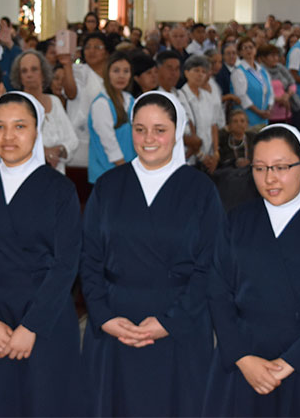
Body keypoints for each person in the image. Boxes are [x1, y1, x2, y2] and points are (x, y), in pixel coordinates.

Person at [81, 90, 224, 416]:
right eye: (140, 128)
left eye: (160, 129)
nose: (148, 139)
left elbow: (211, 265)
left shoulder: (200, 189)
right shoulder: (108, 185)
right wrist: (103, 316)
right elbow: (89, 258)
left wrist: (169, 322)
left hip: (179, 325)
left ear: (178, 133)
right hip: (115, 323)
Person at [204, 124, 300, 416]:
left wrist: (290, 363)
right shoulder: (236, 220)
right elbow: (218, 293)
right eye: (259, 168)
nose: (270, 178)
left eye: (281, 167)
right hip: (242, 360)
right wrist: (243, 358)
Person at [0, 92, 82, 416]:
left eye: (20, 126)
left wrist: (32, 326)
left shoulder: (60, 189)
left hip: (43, 315)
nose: (9, 137)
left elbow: (67, 263)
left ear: (37, 131)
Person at [11, 50, 78, 173]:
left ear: (43, 73)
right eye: (24, 71)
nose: (29, 74)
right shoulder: (14, 106)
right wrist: (43, 151)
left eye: (34, 69)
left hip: (56, 173)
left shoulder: (55, 101)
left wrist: (59, 150)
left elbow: (72, 140)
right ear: (19, 77)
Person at [88, 52, 136, 183]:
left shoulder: (130, 100)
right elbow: (108, 141)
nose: (121, 75)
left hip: (128, 169)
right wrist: (124, 167)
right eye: (116, 71)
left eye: (126, 71)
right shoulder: (101, 103)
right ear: (107, 73)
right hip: (107, 172)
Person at [65, 32, 110, 172]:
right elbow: (70, 93)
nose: (92, 51)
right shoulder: (78, 71)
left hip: (105, 143)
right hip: (80, 143)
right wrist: (66, 64)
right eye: (88, 47)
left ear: (107, 52)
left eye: (97, 47)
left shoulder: (113, 78)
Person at [178, 54, 225, 173]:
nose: (200, 74)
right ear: (186, 72)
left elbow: (213, 125)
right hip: (189, 157)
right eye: (196, 70)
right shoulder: (179, 97)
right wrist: (201, 156)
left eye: (203, 71)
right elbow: (184, 131)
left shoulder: (208, 97)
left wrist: (215, 153)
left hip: (209, 156)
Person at [236, 38, 274, 130]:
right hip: (248, 118)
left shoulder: (262, 70)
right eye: (245, 48)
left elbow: (270, 92)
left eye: (251, 47)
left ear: (255, 50)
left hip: (264, 118)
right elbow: (242, 96)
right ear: (240, 52)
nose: (249, 50)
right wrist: (259, 112)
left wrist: (268, 109)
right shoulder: (238, 71)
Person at [259, 45, 296, 124]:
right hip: (270, 111)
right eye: (272, 56)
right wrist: (278, 99)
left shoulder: (281, 68)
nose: (275, 58)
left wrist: (287, 95)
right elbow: (261, 90)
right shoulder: (260, 71)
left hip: (285, 110)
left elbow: (292, 83)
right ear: (263, 58)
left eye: (277, 55)